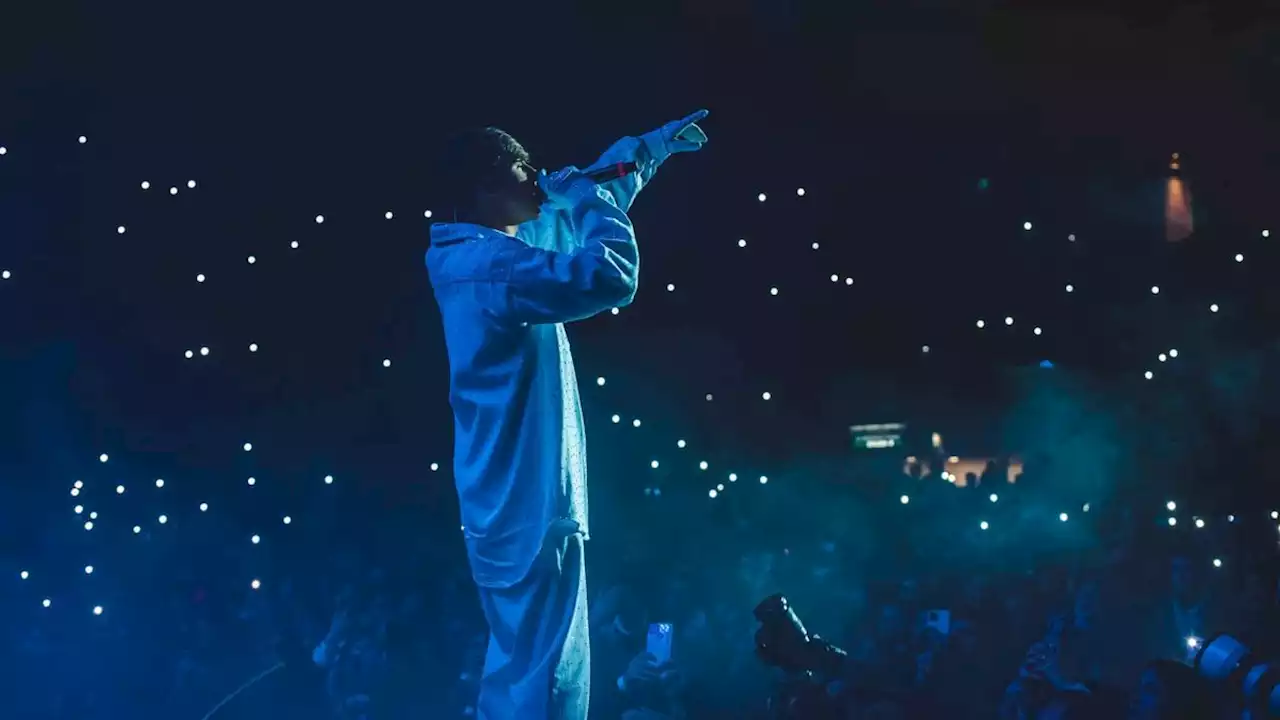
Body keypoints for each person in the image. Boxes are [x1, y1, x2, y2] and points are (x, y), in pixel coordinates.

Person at [425, 110, 709, 720]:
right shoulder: (490, 266)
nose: (537, 174)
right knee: (546, 676)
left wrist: (647, 151)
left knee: (525, 665)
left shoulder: (483, 254)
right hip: (527, 503)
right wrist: (586, 198)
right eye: (524, 164)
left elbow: (572, 209)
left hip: (513, 499)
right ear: (488, 181)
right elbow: (607, 273)